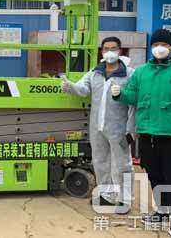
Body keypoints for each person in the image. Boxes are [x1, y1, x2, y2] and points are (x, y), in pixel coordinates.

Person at [111, 29, 171, 238]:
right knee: (153, 173)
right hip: (146, 132)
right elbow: (133, 96)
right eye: (155, 45)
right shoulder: (142, 72)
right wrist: (120, 95)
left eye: (163, 44)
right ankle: (162, 210)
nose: (159, 48)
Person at [62, 36, 135, 214]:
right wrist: (69, 86)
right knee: (100, 162)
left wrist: (131, 129)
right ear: (101, 52)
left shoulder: (130, 74)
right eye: (106, 48)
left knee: (122, 164)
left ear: (120, 51)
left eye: (113, 48)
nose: (110, 52)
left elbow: (134, 101)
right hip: (97, 126)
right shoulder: (95, 72)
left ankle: (124, 200)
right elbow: (83, 89)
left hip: (119, 127)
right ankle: (107, 196)